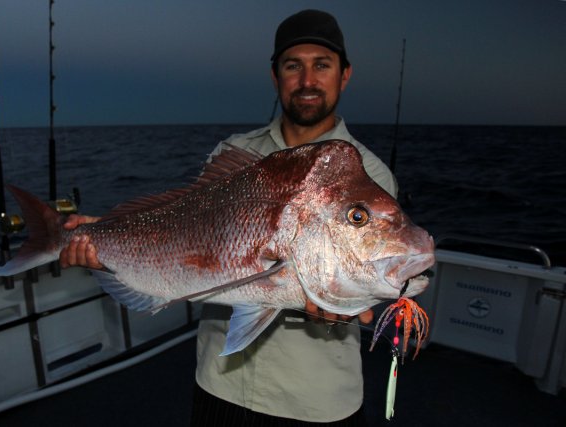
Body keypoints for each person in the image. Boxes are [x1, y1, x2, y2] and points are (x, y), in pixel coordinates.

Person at [60, 9, 397, 426]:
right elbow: (182, 223)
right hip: (220, 384)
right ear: (275, 77)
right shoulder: (234, 154)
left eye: (321, 65)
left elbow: (369, 271)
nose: (307, 80)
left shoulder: (369, 175)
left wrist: (350, 302)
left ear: (344, 75)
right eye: (294, 66)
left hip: (315, 399)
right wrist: (104, 234)